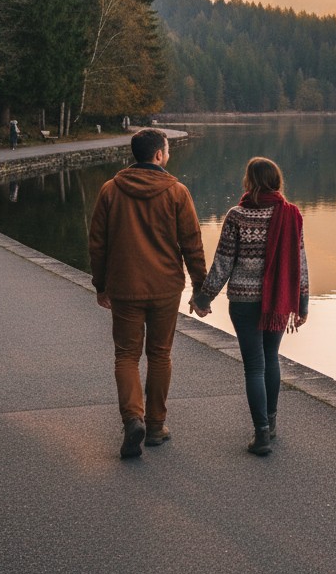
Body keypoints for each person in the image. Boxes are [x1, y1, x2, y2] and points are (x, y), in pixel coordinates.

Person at [88, 128, 207, 459]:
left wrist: (101, 285)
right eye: (166, 150)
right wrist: (201, 290)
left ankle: (132, 419)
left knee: (126, 355)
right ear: (158, 155)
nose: (168, 155)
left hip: (125, 287)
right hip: (165, 288)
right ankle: (155, 426)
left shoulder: (111, 190)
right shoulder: (177, 193)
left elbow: (97, 243)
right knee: (159, 354)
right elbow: (192, 244)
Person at [191, 156, 308, 456]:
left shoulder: (237, 216)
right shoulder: (292, 215)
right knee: (272, 358)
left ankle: (262, 435)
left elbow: (222, 264)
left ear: (250, 182)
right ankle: (271, 423)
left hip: (244, 302)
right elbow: (300, 265)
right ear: (277, 181)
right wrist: (302, 304)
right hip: (279, 303)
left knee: (255, 366)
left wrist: (203, 299)